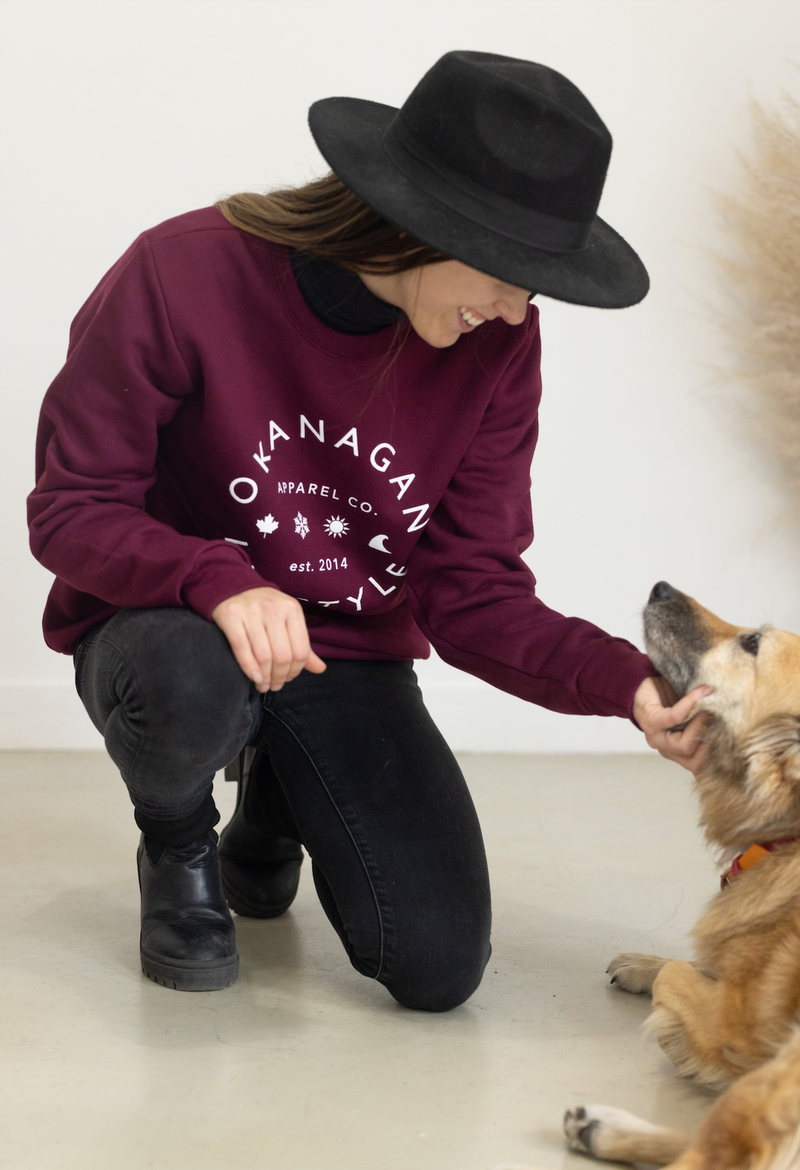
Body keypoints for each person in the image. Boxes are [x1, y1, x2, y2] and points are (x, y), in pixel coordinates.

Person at [27, 51, 708, 1010]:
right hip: (165, 623)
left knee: (434, 966)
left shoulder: (498, 345)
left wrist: (628, 686)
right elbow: (71, 506)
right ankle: (180, 845)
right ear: (419, 221)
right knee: (189, 681)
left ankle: (274, 803)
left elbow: (472, 589)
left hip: (338, 650)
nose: (519, 308)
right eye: (513, 274)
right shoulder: (183, 272)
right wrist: (217, 578)